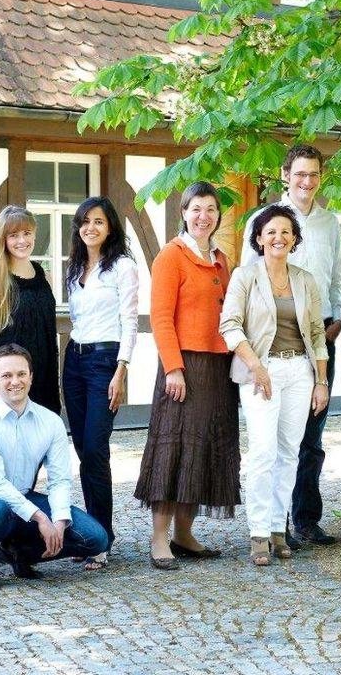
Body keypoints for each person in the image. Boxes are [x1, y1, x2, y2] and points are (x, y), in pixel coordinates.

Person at [240, 144, 341, 547]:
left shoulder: (330, 223)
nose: (307, 181)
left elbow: (335, 276)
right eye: (300, 174)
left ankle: (305, 519)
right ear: (286, 174)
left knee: (311, 438)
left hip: (318, 339)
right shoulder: (262, 220)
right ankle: (272, 525)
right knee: (271, 442)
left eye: (314, 174)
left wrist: (336, 321)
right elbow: (246, 284)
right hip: (271, 346)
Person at [133, 181, 240, 570]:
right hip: (183, 366)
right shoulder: (170, 256)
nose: (204, 216)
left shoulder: (221, 259)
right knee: (174, 448)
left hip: (217, 367)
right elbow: (160, 317)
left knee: (204, 448)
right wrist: (173, 368)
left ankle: (184, 533)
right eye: (196, 208)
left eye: (211, 209)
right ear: (183, 212)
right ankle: (159, 538)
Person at [223, 205, 329, 565]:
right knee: (263, 452)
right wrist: (256, 366)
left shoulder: (304, 279)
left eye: (285, 232)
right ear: (258, 238)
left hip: (300, 372)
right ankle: (256, 533)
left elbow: (317, 334)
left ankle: (276, 531)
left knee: (289, 453)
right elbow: (230, 326)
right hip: (260, 372)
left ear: (294, 239)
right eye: (271, 232)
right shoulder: (245, 276)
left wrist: (322, 381)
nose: (278, 238)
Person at [0, 344, 108, 589]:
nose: (14, 381)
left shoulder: (50, 422)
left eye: (21, 374)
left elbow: (59, 479)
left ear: (31, 377)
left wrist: (58, 521)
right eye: (6, 375)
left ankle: (19, 553)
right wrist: (40, 517)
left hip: (23, 501)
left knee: (95, 538)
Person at [63, 197, 139, 570]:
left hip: (104, 360)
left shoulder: (123, 266)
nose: (90, 227)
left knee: (95, 448)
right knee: (83, 450)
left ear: (110, 227)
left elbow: (130, 320)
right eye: (84, 222)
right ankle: (93, 534)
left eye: (98, 221)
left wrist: (121, 369)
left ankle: (101, 539)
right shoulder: (75, 267)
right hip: (73, 360)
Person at [0, 205, 59, 414]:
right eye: (14, 235)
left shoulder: (44, 275)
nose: (22, 240)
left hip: (42, 378)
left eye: (27, 233)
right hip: (7, 383)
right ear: (3, 238)